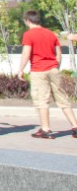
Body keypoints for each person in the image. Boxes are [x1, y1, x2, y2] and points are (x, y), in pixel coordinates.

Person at [16, 10, 77, 139]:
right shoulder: (51, 34)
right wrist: (56, 66)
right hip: (53, 69)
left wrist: (21, 69)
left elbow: (26, 53)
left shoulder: (28, 35)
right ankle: (75, 126)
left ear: (27, 20)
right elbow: (58, 53)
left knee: (41, 100)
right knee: (62, 98)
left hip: (39, 70)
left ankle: (46, 129)